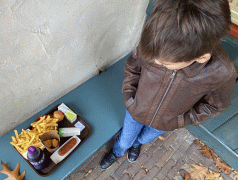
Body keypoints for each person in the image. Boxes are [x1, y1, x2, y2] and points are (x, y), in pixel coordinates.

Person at [100, 0, 238, 169]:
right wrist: (130, 98)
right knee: (126, 136)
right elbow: (133, 66)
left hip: (165, 123)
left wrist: (179, 121)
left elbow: (214, 107)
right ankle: (119, 150)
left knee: (144, 138)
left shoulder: (221, 73)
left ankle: (137, 143)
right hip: (136, 108)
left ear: (201, 56)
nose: (155, 61)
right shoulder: (159, 37)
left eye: (165, 63)